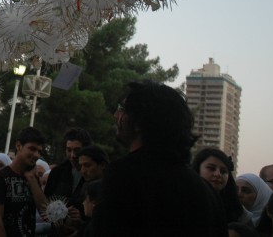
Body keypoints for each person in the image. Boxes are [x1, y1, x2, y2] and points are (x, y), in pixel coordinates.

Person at [87, 81, 227, 236]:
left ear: (139, 122)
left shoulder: (123, 175)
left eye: (122, 110)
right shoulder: (206, 192)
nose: (116, 115)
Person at [0, 127, 48, 237]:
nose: (36, 155)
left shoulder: (33, 178)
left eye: (39, 151)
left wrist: (31, 179)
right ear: (19, 146)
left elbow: (45, 211)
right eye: (32, 149)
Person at [193, 148, 252, 225]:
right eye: (211, 168)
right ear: (198, 169)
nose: (218, 174)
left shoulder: (237, 209)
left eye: (223, 171)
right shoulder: (184, 200)